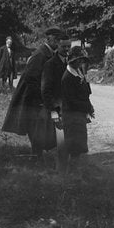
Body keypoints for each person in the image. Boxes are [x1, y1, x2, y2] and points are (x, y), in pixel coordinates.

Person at [1, 28, 61, 158]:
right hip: (30, 97)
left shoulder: (50, 53)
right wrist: (40, 98)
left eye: (59, 39)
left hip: (39, 96)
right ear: (48, 39)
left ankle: (38, 155)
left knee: (41, 126)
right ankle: (36, 156)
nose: (57, 42)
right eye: (55, 39)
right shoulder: (40, 54)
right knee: (35, 126)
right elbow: (31, 78)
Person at [59, 46, 95, 177]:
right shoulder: (67, 77)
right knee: (74, 147)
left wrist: (89, 107)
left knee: (79, 147)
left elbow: (85, 93)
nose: (81, 63)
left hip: (79, 115)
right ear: (71, 61)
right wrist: (86, 107)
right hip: (72, 117)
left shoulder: (78, 72)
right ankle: (71, 175)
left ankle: (74, 174)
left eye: (82, 61)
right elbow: (71, 101)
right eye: (78, 60)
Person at [42, 34, 71, 172]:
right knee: (61, 145)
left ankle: (69, 173)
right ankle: (61, 176)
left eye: (68, 46)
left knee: (72, 144)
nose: (66, 49)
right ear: (57, 46)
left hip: (72, 110)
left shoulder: (71, 62)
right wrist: (54, 115)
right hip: (58, 111)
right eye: (63, 46)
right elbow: (46, 92)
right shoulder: (50, 65)